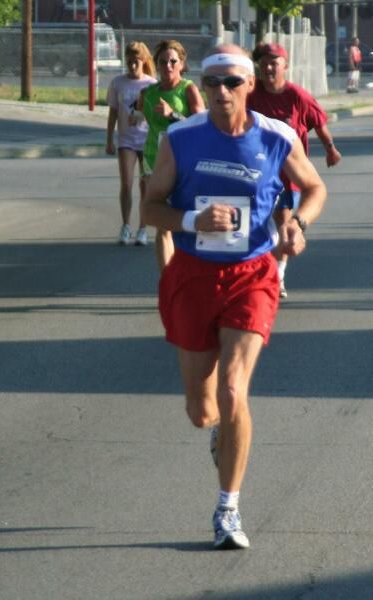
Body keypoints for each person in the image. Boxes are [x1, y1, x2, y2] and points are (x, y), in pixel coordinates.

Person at [142, 44, 327, 550]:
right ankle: (220, 434)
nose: (221, 91)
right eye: (212, 82)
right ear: (202, 86)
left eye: (231, 82)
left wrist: (298, 224)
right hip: (193, 273)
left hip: (252, 274)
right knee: (202, 410)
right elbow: (150, 209)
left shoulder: (276, 136)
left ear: (249, 85)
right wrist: (191, 220)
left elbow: (314, 188)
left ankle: (228, 508)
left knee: (232, 389)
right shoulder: (180, 138)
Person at [248, 42, 341, 298]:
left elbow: (318, 123)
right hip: (255, 175)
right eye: (264, 63)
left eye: (274, 63)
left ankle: (277, 276)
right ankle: (259, 270)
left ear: (285, 65)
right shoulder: (251, 94)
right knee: (255, 224)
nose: (268, 68)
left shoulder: (297, 96)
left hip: (288, 176)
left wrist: (330, 148)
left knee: (282, 223)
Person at [137, 39, 206, 270]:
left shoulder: (188, 89)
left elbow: (201, 126)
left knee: (186, 219)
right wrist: (132, 115)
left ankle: (187, 270)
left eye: (173, 61)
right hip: (154, 159)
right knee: (163, 225)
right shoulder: (148, 92)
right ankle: (167, 279)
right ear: (156, 64)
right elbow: (137, 113)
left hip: (183, 160)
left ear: (182, 64)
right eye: (163, 62)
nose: (168, 66)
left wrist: (173, 115)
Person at [105, 41, 156, 246]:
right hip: (126, 140)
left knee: (145, 185)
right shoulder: (118, 83)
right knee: (126, 184)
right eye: (129, 61)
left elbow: (156, 115)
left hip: (147, 140)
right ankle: (125, 226)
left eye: (136, 61)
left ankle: (142, 229)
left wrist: (142, 115)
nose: (132, 65)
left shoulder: (151, 84)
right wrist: (109, 139)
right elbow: (113, 112)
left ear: (143, 61)